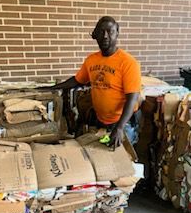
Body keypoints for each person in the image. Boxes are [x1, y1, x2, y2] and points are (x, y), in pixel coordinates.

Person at [51, 16, 142, 149]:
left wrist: (120, 128)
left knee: (123, 160)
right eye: (101, 31)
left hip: (123, 124)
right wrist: (53, 87)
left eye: (110, 31)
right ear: (95, 35)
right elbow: (77, 81)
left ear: (117, 33)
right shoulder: (91, 60)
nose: (105, 36)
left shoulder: (128, 63)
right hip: (101, 121)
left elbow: (132, 98)